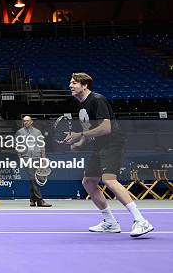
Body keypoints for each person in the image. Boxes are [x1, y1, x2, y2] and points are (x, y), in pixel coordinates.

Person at [64, 72, 153, 237]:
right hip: (100, 145)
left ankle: (141, 220)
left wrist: (79, 135)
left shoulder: (98, 100)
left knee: (109, 180)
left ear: (85, 85)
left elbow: (106, 128)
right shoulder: (81, 106)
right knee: (89, 182)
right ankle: (110, 222)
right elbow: (89, 131)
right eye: (70, 82)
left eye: (74, 82)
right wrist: (79, 144)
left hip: (112, 143)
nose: (70, 85)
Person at [15, 116, 52, 207]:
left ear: (31, 121)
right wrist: (21, 158)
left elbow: (42, 146)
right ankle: (40, 200)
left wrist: (43, 159)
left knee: (34, 179)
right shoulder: (19, 132)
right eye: (24, 121)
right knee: (33, 178)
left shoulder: (38, 132)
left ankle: (32, 200)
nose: (25, 122)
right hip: (26, 159)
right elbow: (17, 146)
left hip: (38, 158)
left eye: (27, 121)